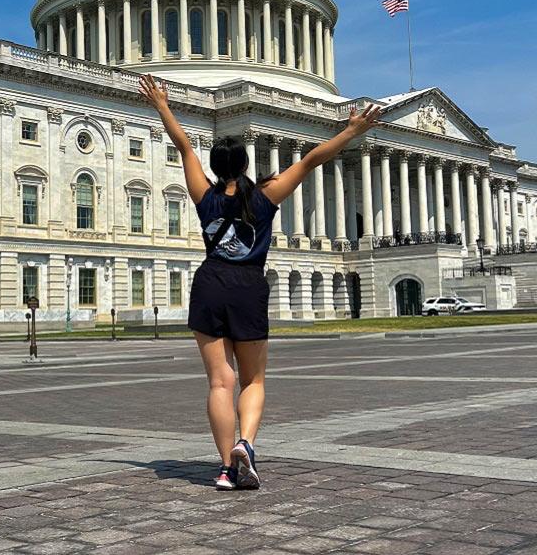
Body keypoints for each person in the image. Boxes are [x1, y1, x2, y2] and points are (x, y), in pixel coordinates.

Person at [140, 74, 382, 491]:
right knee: (253, 380)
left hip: (210, 281)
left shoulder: (204, 195)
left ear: (215, 167)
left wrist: (162, 104)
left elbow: (182, 144)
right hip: (248, 285)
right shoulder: (266, 195)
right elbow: (310, 161)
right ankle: (246, 446)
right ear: (246, 166)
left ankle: (223, 468)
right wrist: (352, 130)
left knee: (220, 381)